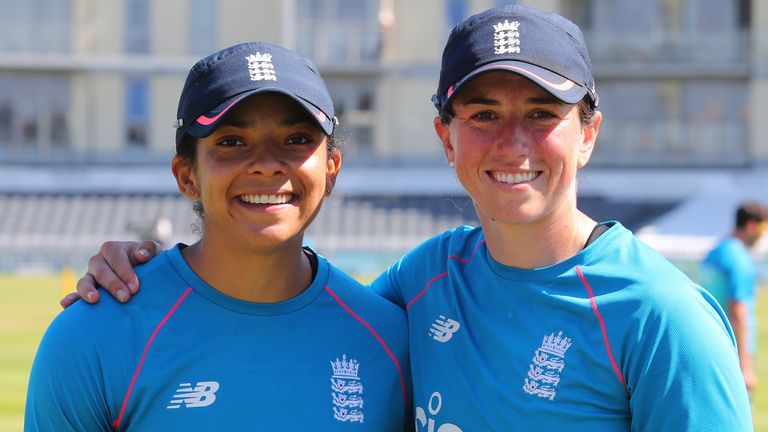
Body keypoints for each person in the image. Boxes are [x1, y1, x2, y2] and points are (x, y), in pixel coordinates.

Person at [62, 5, 752, 430]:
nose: (512, 144)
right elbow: (293, 304)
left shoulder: (665, 318)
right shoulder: (420, 284)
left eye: (542, 115)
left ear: (590, 132)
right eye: (484, 115)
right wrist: (141, 264)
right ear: (446, 137)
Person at [26, 41, 411, 431]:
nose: (265, 164)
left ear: (331, 169)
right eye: (231, 142)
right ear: (187, 176)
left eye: (296, 139)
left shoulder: (391, 339)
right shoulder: (92, 338)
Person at [700, 201, 768, 398]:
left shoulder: (716, 251)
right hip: (730, 350)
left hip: (709, 343)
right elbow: (738, 309)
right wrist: (745, 366)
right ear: (752, 225)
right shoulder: (739, 259)